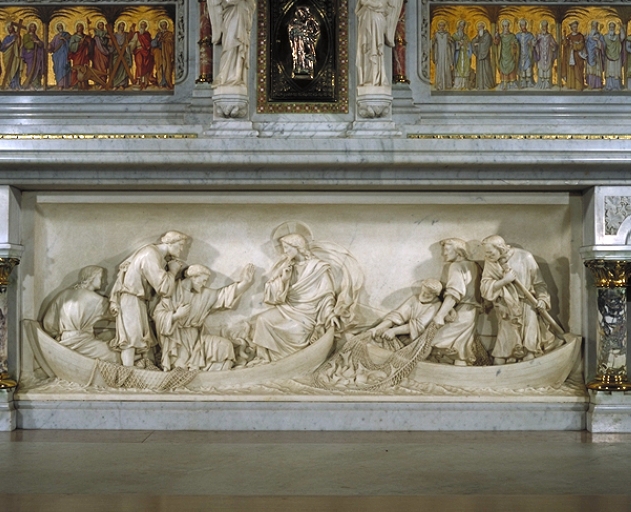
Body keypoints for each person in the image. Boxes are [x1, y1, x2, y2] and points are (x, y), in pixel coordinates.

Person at [249, 234, 340, 363]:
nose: (285, 251)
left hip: (307, 313)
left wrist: (330, 314)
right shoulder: (286, 266)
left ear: (297, 247)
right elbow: (273, 294)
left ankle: (288, 362)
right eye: (283, 248)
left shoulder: (317, 267)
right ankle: (262, 359)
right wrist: (284, 280)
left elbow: (326, 295)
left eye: (287, 248)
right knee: (262, 319)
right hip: (287, 308)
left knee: (297, 331)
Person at [154, 263, 254, 371]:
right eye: (202, 280)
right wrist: (175, 316)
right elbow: (157, 315)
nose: (204, 284)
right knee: (180, 368)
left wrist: (245, 283)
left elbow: (224, 294)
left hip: (197, 337)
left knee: (225, 346)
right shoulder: (172, 291)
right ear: (193, 277)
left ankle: (213, 374)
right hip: (176, 340)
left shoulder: (204, 294)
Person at [109, 231, 188, 367]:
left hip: (137, 299)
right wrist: (173, 271)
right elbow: (164, 288)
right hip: (131, 299)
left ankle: (136, 368)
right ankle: (127, 372)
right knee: (131, 339)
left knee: (139, 338)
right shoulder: (150, 254)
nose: (181, 249)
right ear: (170, 243)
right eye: (180, 245)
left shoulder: (153, 253)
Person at [480, 235, 557, 365]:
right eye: (486, 253)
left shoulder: (525, 257)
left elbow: (539, 283)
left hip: (527, 304)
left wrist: (542, 299)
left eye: (490, 252)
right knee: (506, 345)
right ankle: (503, 369)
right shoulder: (491, 261)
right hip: (506, 306)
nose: (487, 256)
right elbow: (484, 287)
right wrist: (505, 281)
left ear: (500, 248)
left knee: (530, 344)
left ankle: (531, 368)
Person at [43, 266, 121, 364]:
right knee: (117, 356)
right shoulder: (97, 300)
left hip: (64, 341)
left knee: (110, 336)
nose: (104, 282)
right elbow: (117, 315)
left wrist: (60, 333)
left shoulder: (64, 295)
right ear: (92, 278)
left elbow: (48, 323)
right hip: (83, 343)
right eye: (101, 278)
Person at [430, 238, 482, 366]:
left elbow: (454, 293)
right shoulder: (475, 266)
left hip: (462, 312)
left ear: (458, 252)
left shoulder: (456, 266)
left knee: (438, 340)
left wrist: (440, 315)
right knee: (460, 346)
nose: (443, 254)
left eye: (447, 250)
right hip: (472, 312)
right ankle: (459, 372)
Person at [370, 279, 443, 350]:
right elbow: (398, 316)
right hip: (401, 333)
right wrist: (377, 328)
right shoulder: (414, 298)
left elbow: (417, 326)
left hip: (414, 340)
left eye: (427, 293)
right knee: (377, 333)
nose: (423, 294)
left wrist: (394, 331)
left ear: (435, 295)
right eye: (423, 291)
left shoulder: (436, 305)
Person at [208, 0, 256, 89]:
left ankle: (237, 76)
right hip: (231, 18)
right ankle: (224, 76)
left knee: (240, 47)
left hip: (242, 15)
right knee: (229, 46)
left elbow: (252, 4)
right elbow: (227, 2)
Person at [355, 0, 403, 87]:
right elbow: (357, 10)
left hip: (376, 21)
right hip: (365, 20)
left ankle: (376, 78)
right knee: (365, 49)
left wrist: (367, 3)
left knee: (375, 49)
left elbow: (381, 6)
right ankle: (366, 78)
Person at [288, 7, 320, 79]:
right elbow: (291, 32)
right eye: (299, 13)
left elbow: (316, 30)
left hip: (306, 41)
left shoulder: (310, 22)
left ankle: (308, 69)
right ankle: (298, 69)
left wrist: (309, 33)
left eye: (303, 13)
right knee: (298, 55)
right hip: (297, 42)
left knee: (307, 55)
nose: (301, 15)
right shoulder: (293, 23)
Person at [494, 19, 519, 90]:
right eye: (504, 26)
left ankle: (512, 83)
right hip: (503, 56)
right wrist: (496, 37)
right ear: (503, 27)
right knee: (503, 68)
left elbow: (517, 45)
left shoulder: (512, 36)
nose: (506, 27)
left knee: (511, 67)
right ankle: (504, 83)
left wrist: (514, 45)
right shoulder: (500, 36)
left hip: (510, 56)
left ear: (509, 26)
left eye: (507, 26)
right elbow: (496, 43)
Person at [68, 22, 93, 89]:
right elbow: (71, 46)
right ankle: (75, 84)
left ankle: (84, 83)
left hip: (84, 55)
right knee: (76, 68)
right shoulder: (74, 37)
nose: (80, 28)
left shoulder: (86, 37)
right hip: (77, 56)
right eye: (79, 27)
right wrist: (79, 43)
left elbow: (90, 46)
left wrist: (88, 42)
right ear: (77, 28)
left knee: (84, 69)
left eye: (81, 27)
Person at [534, 20, 557, 89]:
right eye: (543, 27)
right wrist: (535, 42)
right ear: (541, 27)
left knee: (548, 70)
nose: (544, 28)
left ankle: (547, 84)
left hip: (548, 55)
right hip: (541, 55)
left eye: (545, 26)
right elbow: (534, 44)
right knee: (541, 70)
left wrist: (553, 46)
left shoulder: (550, 36)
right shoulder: (538, 36)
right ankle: (541, 83)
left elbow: (555, 45)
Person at [562, 21, 585, 91]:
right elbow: (565, 45)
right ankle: (571, 85)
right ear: (571, 28)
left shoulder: (580, 36)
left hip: (578, 57)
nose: (575, 28)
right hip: (570, 56)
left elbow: (581, 45)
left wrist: (574, 45)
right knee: (571, 70)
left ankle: (578, 86)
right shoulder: (569, 36)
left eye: (576, 27)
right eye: (574, 27)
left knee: (578, 71)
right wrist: (564, 36)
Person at [21, 22, 45, 90]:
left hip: (36, 56)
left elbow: (40, 44)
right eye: (32, 27)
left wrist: (38, 42)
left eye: (34, 27)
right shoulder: (26, 36)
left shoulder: (36, 36)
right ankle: (29, 84)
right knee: (30, 68)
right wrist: (34, 42)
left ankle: (36, 84)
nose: (33, 28)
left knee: (37, 68)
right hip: (30, 55)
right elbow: (26, 44)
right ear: (29, 28)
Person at [471, 22, 495, 90]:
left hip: (485, 57)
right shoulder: (479, 35)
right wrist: (476, 38)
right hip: (479, 57)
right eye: (478, 27)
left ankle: (487, 84)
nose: (479, 28)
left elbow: (486, 44)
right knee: (479, 70)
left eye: (480, 27)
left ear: (483, 27)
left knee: (486, 69)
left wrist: (478, 44)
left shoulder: (487, 35)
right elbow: (473, 42)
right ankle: (480, 85)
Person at [151, 20, 174, 88]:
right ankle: (160, 82)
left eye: (164, 25)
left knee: (167, 67)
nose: (163, 26)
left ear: (166, 26)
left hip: (167, 54)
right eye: (162, 25)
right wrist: (158, 39)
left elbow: (171, 43)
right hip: (159, 54)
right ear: (160, 26)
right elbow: (153, 44)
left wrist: (164, 42)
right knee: (160, 68)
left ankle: (167, 83)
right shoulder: (159, 34)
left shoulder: (169, 34)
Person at [432, 20, 454, 91]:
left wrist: (450, 41)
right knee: (439, 68)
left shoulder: (447, 34)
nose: (441, 27)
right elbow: (432, 43)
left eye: (443, 26)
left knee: (446, 68)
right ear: (438, 26)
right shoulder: (436, 34)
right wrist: (433, 41)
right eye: (440, 26)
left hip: (446, 53)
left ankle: (447, 84)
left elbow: (452, 42)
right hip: (439, 53)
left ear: (444, 26)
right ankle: (439, 84)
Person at [132, 20, 154, 89]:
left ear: (146, 26)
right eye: (141, 25)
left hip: (146, 53)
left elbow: (150, 43)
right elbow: (133, 42)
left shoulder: (147, 35)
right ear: (140, 26)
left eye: (144, 25)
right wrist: (129, 47)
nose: (142, 26)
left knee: (146, 66)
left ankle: (145, 82)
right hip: (139, 51)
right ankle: (139, 81)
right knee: (139, 65)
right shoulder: (137, 34)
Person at [49, 22, 71, 89]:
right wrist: (49, 46)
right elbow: (52, 45)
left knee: (64, 67)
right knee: (58, 68)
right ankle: (59, 84)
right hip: (57, 56)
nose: (60, 27)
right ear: (57, 28)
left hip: (64, 54)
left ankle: (65, 84)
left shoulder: (67, 35)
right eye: (59, 26)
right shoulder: (56, 37)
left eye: (61, 26)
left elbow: (71, 43)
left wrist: (64, 40)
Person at [111, 21, 133, 89]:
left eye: (123, 26)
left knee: (124, 67)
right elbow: (111, 44)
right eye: (120, 26)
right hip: (116, 53)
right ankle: (115, 84)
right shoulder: (114, 35)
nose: (122, 27)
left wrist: (127, 46)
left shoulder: (126, 35)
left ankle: (122, 84)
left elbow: (130, 40)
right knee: (115, 67)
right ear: (118, 27)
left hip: (124, 53)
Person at [603, 21, 625, 91]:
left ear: (614, 28)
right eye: (610, 27)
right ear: (608, 28)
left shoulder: (617, 37)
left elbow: (622, 37)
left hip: (617, 57)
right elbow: (603, 46)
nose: (611, 28)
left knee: (616, 72)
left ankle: (616, 86)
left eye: (613, 27)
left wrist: (621, 28)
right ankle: (609, 86)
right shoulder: (605, 37)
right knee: (609, 72)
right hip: (608, 57)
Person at [584, 20, 605, 90]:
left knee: (597, 69)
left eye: (595, 26)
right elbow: (585, 46)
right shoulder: (588, 36)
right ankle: (591, 84)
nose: (594, 27)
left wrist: (598, 42)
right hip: (590, 55)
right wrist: (585, 40)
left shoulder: (600, 36)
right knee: (590, 70)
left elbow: (603, 46)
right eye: (593, 26)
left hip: (597, 55)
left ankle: (598, 84)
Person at [1, 22, 21, 90]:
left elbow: (18, 45)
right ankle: (9, 85)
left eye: (10, 27)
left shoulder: (16, 36)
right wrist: (12, 42)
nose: (9, 29)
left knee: (15, 68)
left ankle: (15, 85)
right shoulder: (6, 38)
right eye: (8, 28)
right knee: (8, 70)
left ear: (13, 28)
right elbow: (2, 47)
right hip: (7, 55)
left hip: (15, 55)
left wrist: (18, 37)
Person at [452, 20, 471, 90]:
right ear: (458, 26)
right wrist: (458, 44)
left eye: (463, 26)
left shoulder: (466, 36)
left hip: (465, 55)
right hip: (458, 55)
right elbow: (451, 45)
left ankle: (464, 85)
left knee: (465, 68)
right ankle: (457, 85)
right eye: (460, 25)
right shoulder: (454, 36)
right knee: (458, 68)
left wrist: (466, 44)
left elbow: (469, 46)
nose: (461, 27)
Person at [515, 19, 535, 88]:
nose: (523, 27)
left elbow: (534, 41)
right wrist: (515, 44)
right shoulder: (518, 35)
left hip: (528, 55)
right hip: (521, 56)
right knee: (522, 69)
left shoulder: (529, 35)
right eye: (522, 25)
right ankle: (522, 82)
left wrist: (531, 43)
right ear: (520, 26)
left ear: (526, 25)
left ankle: (529, 82)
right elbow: (514, 42)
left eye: (524, 25)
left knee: (528, 68)